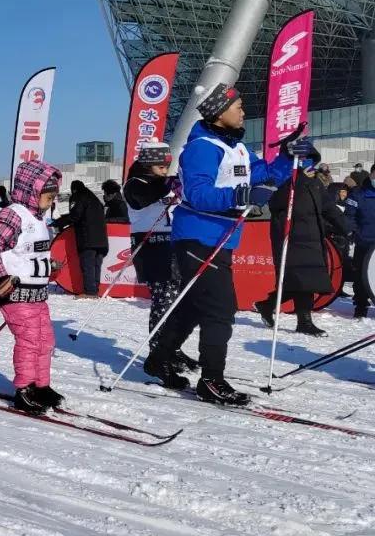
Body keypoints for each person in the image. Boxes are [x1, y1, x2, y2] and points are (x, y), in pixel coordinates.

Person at [152, 83, 307, 404]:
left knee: (195, 305)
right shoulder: (202, 148)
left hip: (220, 238)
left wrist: (287, 156)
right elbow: (198, 194)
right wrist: (242, 195)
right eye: (238, 107)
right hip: (197, 237)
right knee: (220, 308)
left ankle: (159, 357)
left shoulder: (236, 148)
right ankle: (211, 380)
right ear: (220, 113)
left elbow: (263, 174)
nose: (243, 112)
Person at [0, 160, 64, 414]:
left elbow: (29, 252)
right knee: (30, 340)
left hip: (37, 293)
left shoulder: (40, 218)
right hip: (14, 291)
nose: (51, 200)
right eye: (47, 195)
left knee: (46, 340)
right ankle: (24, 389)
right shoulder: (13, 214)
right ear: (31, 190)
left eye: (53, 196)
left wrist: (49, 265)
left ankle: (41, 385)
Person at [123, 142, 198, 387]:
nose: (164, 171)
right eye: (160, 167)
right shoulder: (134, 183)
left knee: (179, 300)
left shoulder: (160, 182)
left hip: (172, 243)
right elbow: (142, 199)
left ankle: (171, 347)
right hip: (150, 246)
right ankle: (158, 353)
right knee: (164, 300)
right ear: (147, 164)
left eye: (166, 167)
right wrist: (169, 183)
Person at [253, 155, 348, 336]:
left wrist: (346, 228)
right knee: (303, 281)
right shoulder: (284, 181)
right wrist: (297, 180)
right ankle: (304, 322)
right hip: (291, 239)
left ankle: (267, 305)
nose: (311, 166)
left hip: (313, 238)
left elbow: (329, 208)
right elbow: (275, 203)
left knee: (304, 281)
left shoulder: (316, 184)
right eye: (306, 161)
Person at [51, 180, 108, 297]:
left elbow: (75, 215)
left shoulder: (78, 196)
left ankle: (90, 292)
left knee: (88, 265)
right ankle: (95, 290)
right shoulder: (95, 199)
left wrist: (60, 222)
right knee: (96, 265)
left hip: (88, 238)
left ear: (74, 189)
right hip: (102, 239)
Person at [345, 165, 375, 318]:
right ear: (371, 175)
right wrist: (356, 233)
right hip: (364, 242)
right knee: (361, 277)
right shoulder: (358, 194)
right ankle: (361, 306)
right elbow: (349, 217)